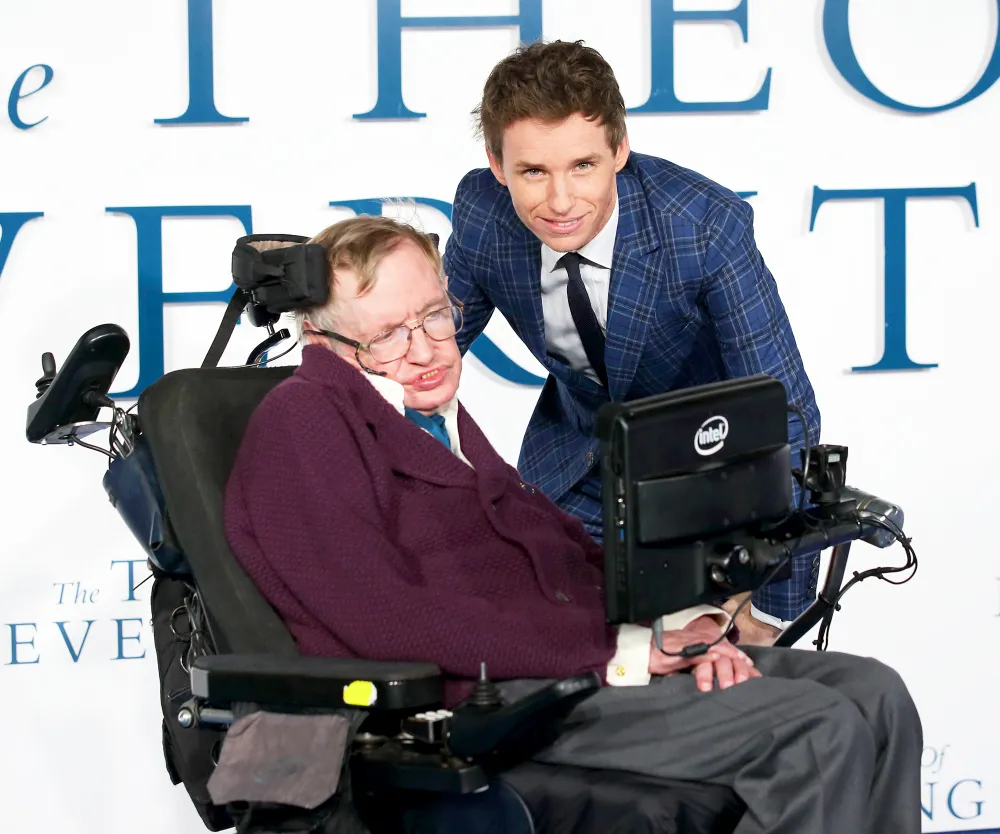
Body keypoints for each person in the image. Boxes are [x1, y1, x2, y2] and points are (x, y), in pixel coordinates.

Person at [224, 215, 920, 834]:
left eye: (435, 316)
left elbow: (556, 548)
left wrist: (673, 626)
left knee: (874, 694)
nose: (427, 349)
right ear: (321, 339)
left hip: (559, 666)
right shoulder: (307, 420)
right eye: (388, 336)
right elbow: (385, 618)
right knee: (815, 731)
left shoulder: (427, 417)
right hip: (489, 703)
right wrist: (614, 654)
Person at [442, 40, 821, 645]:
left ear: (619, 149)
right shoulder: (484, 214)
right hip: (577, 474)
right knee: (563, 674)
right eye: (533, 171)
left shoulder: (703, 229)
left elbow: (789, 419)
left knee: (709, 705)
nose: (560, 202)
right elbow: (424, 353)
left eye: (583, 166)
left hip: (713, 487)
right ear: (496, 163)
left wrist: (774, 611)